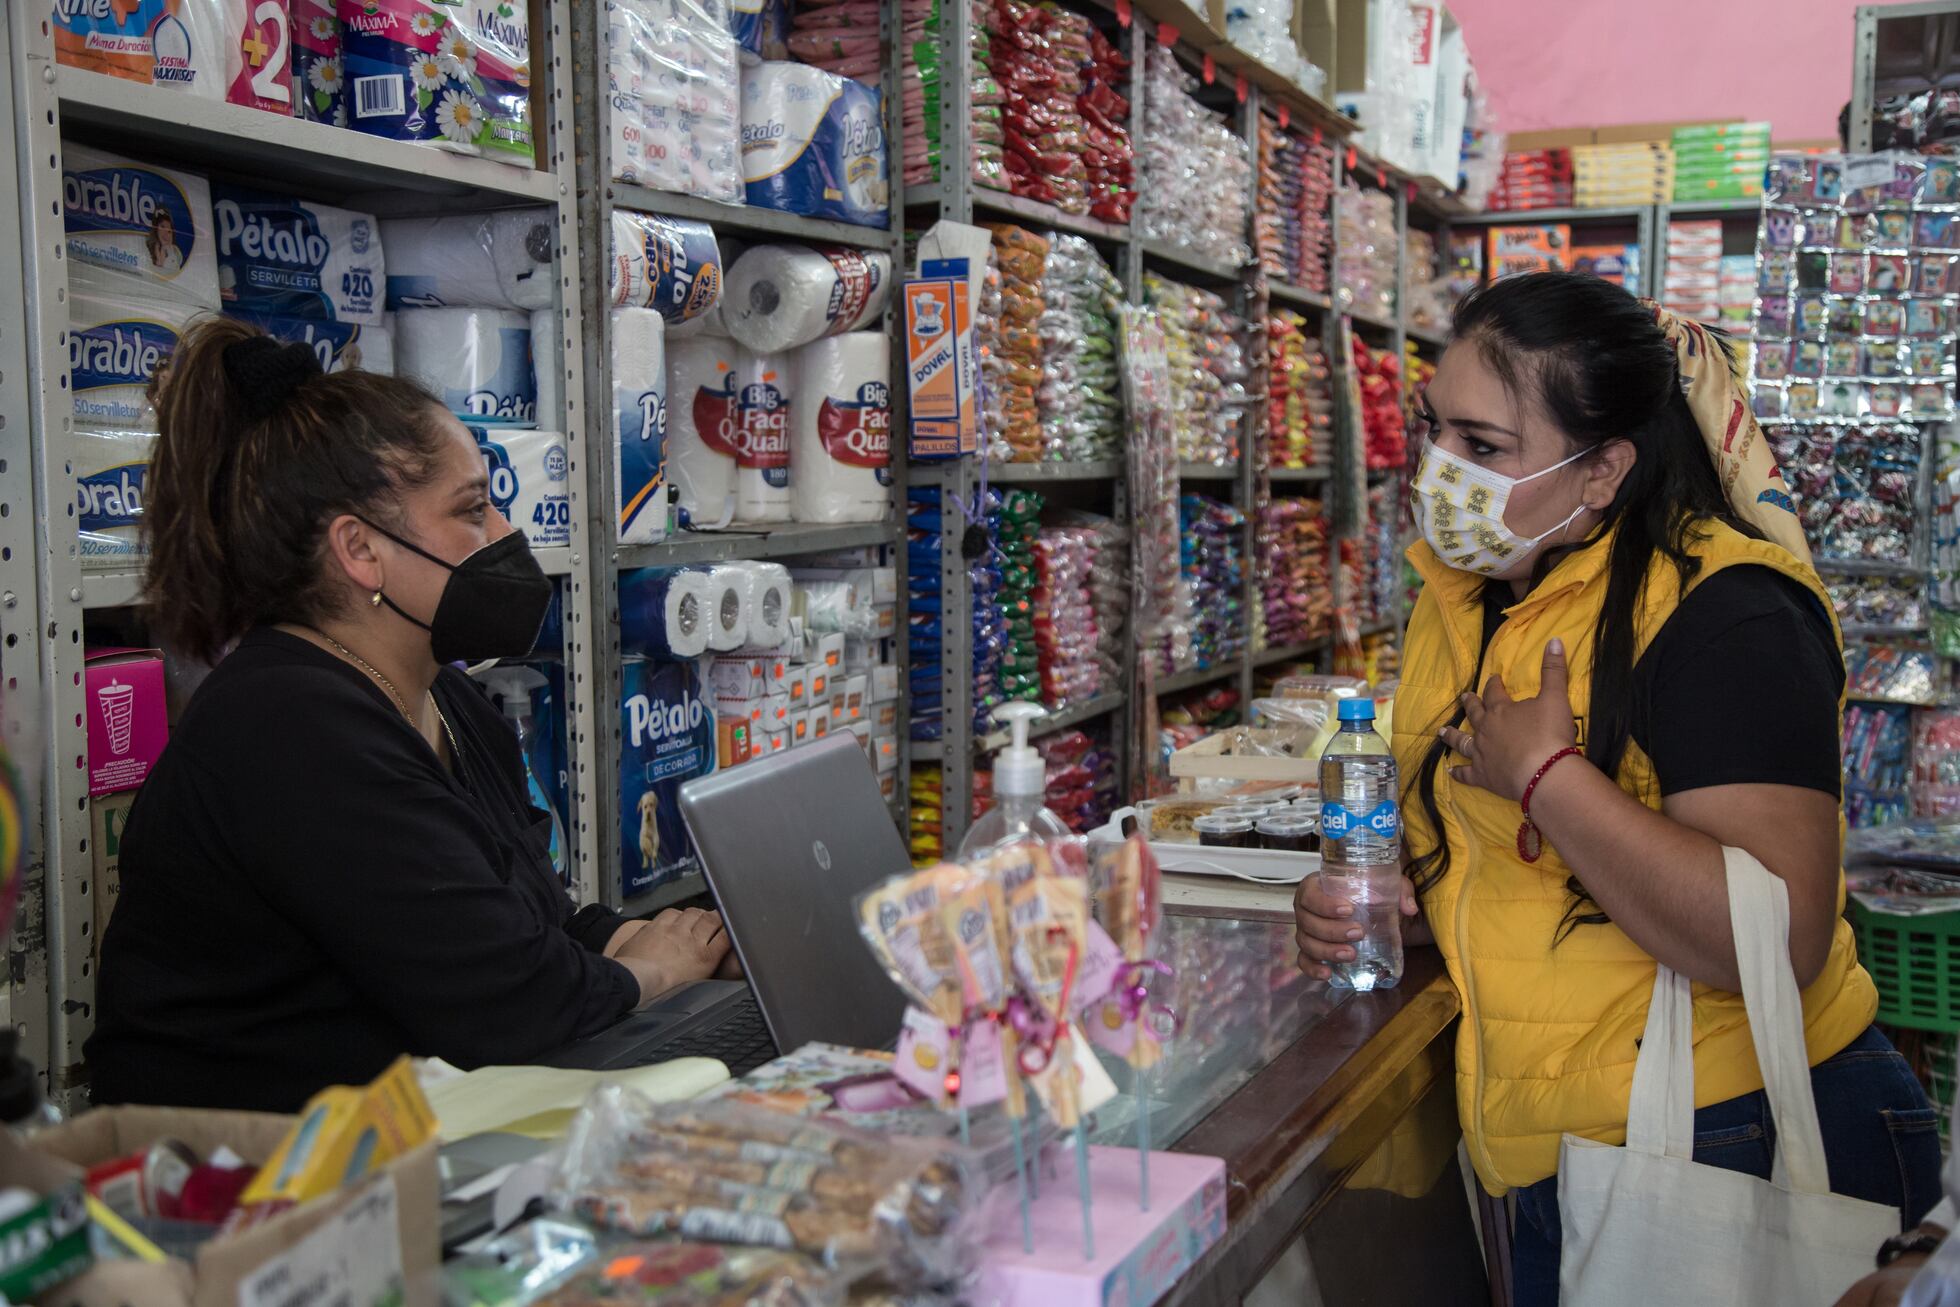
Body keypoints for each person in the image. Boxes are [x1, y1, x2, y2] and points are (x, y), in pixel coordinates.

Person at [1292, 272, 1942, 1304]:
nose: (1437, 469)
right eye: (1432, 429)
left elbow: (1775, 937)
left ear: (1601, 470)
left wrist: (1548, 775)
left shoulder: (1728, 612)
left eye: (1482, 444)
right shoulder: (1466, 597)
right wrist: (1387, 912)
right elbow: (1508, 871)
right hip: (1561, 1138)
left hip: (1731, 1130)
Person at [86, 318, 732, 1112]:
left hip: (395, 1140)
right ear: (360, 550)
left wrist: (659, 941)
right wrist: (652, 969)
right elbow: (506, 1002)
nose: (505, 535)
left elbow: (522, 920)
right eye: (471, 510)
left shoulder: (443, 695)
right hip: (252, 1185)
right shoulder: (289, 727)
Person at [145, 210, 182, 275]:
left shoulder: (175, 251)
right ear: (156, 228)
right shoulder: (153, 247)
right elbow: (159, 264)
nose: (165, 233)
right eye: (162, 226)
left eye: (169, 231)